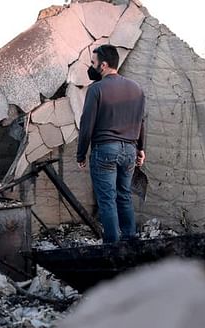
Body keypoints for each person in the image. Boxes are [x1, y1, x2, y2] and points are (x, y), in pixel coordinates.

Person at [76, 44, 146, 243]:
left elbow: (86, 125)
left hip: (105, 150)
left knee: (107, 200)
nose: (91, 67)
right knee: (124, 196)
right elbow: (141, 121)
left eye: (93, 63)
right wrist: (141, 148)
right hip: (130, 151)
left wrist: (81, 154)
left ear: (104, 65)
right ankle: (130, 244)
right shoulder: (137, 89)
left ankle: (112, 249)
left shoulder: (96, 89)